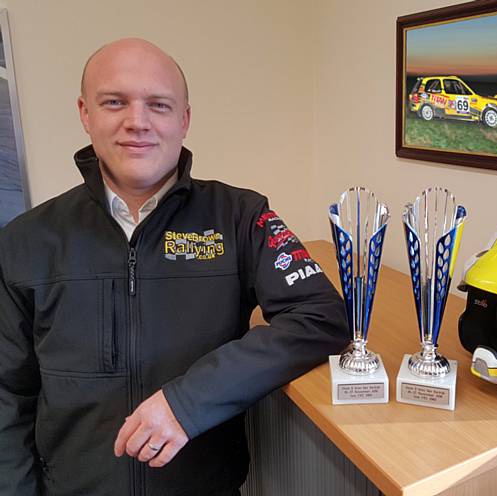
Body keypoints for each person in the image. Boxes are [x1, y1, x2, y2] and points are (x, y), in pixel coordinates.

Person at [0, 38, 349, 496]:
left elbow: (321, 317)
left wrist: (188, 402)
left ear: (184, 120)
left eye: (159, 105)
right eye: (114, 102)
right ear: (85, 114)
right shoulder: (25, 240)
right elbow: (8, 395)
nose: (137, 122)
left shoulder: (241, 215)